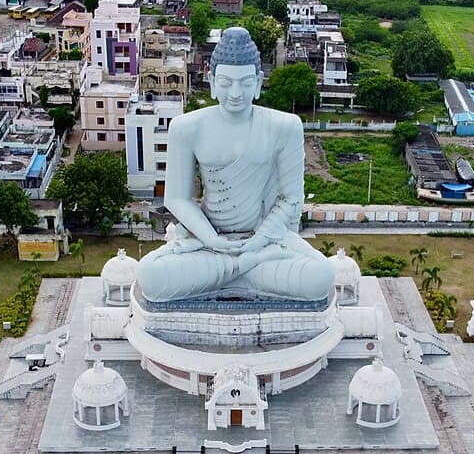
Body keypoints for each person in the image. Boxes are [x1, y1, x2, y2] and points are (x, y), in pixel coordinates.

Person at [135, 27, 334, 304]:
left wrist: (258, 241)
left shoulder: (285, 127)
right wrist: (212, 240)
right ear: (212, 81)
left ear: (258, 82)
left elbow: (291, 199)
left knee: (320, 277)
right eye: (226, 83)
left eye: (245, 82)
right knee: (151, 276)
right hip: (209, 243)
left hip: (264, 241)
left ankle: (230, 272)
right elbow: (177, 199)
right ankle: (244, 269)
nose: (236, 93)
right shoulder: (186, 127)